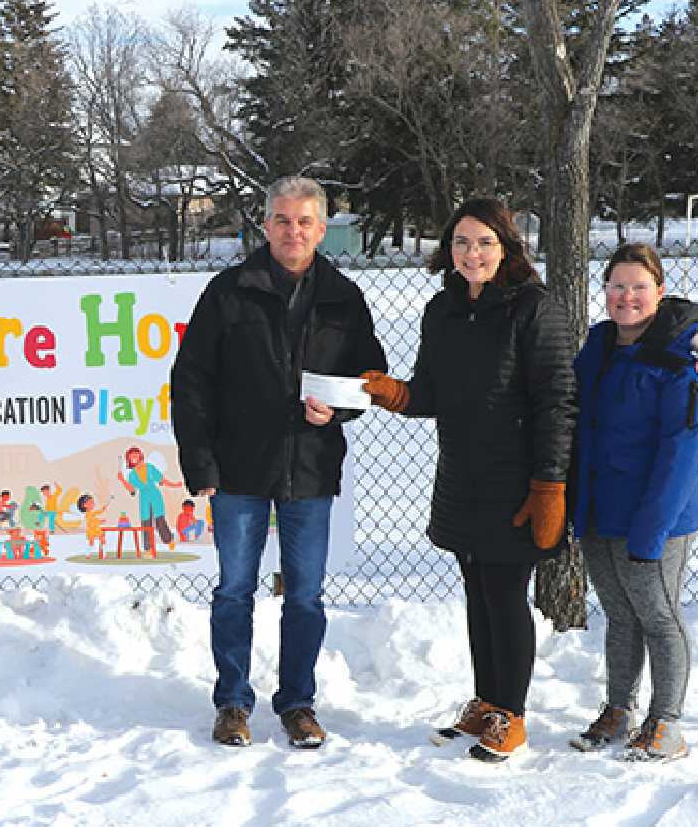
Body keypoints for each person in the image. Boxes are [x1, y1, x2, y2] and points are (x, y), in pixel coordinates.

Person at [172, 176, 387, 750]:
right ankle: (233, 703)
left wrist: (335, 414)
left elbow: (371, 378)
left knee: (307, 595)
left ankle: (297, 702)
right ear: (265, 226)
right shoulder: (229, 290)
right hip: (239, 469)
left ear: (323, 229)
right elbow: (191, 380)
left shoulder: (343, 295)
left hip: (310, 469)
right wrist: (200, 462)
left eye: (305, 222)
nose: (293, 231)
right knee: (233, 591)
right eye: (283, 221)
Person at [361, 197, 576, 762]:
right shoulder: (444, 311)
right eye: (461, 242)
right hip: (462, 475)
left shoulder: (535, 308)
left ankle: (513, 714)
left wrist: (549, 484)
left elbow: (558, 401)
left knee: (506, 596)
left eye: (483, 242)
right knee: (477, 595)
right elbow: (430, 393)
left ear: (506, 247)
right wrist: (392, 393)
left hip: (518, 481)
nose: (471, 253)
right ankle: (486, 702)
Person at [567, 244, 698, 761]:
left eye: (639, 287)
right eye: (617, 286)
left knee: (658, 615)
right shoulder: (598, 346)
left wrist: (652, 530)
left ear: (659, 292)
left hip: (656, 516)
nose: (627, 297)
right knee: (619, 613)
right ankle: (619, 708)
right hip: (601, 511)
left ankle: (668, 724)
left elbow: (682, 452)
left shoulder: (684, 357)